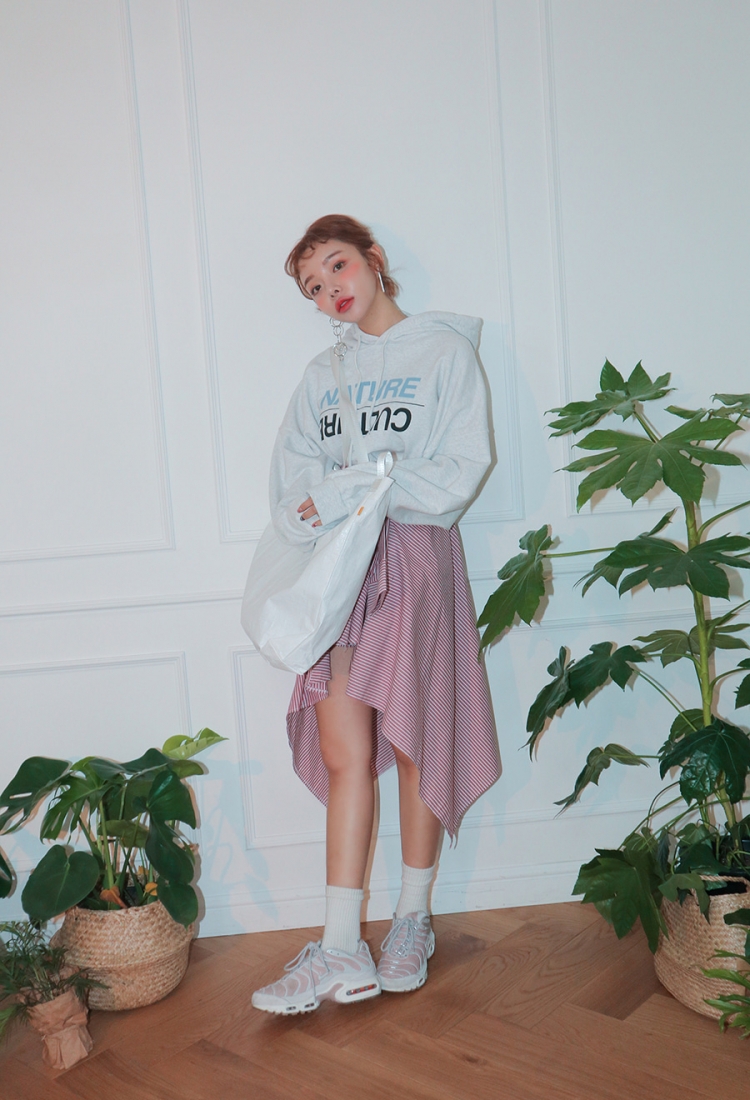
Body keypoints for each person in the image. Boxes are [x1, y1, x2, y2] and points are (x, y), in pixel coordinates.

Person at [251, 214, 500, 1015]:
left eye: (337, 266)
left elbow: (460, 470)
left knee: (416, 735)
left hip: (416, 559)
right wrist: (331, 502)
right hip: (340, 572)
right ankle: (338, 947)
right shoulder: (321, 376)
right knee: (343, 746)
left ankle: (412, 920)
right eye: (313, 286)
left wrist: (369, 486)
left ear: (375, 259)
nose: (330, 290)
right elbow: (293, 487)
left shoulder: (444, 352)